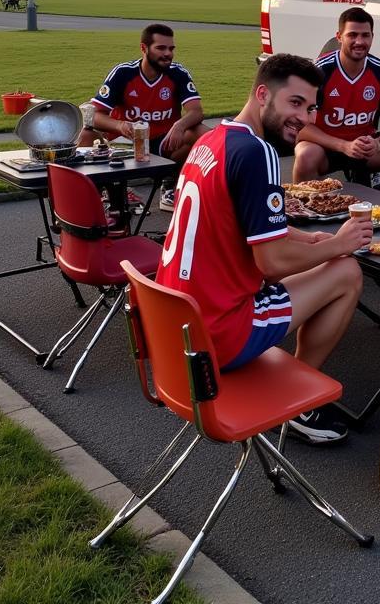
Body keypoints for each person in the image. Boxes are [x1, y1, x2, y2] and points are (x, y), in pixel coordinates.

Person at [155, 53, 368, 444]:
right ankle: (299, 402)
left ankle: (298, 394)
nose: (305, 117)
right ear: (262, 94)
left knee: (320, 259)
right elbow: (270, 264)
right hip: (217, 332)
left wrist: (305, 238)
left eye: (312, 107)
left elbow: (234, 224)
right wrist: (338, 244)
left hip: (174, 326)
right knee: (347, 272)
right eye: (295, 103)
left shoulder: (211, 139)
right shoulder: (258, 152)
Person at [293, 7, 380, 198]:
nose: (359, 41)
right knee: (306, 156)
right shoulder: (319, 71)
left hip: (365, 147)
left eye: (365, 35)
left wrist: (378, 143)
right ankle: (306, 215)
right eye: (352, 35)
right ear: (339, 37)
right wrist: (343, 146)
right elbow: (300, 126)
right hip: (325, 147)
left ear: (372, 37)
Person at [82, 23, 206, 210]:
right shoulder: (123, 73)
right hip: (126, 142)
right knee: (86, 135)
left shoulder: (178, 73)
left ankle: (172, 187)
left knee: (203, 133)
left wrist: (180, 125)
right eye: (161, 48)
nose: (168, 54)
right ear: (143, 48)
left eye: (171, 48)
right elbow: (94, 115)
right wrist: (120, 125)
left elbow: (196, 111)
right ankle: (99, 194)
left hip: (165, 141)